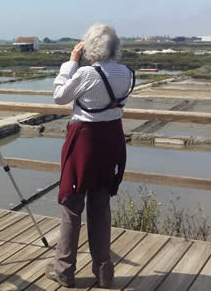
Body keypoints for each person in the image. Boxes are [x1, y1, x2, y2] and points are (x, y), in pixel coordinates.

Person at [46, 23, 134, 288]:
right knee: (101, 203)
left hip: (84, 140)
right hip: (111, 139)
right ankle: (104, 272)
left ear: (88, 48)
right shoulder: (126, 73)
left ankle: (64, 270)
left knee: (72, 205)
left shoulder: (86, 73)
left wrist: (69, 64)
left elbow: (59, 97)